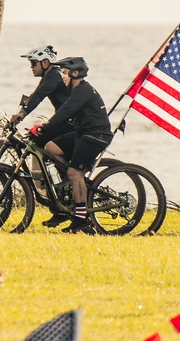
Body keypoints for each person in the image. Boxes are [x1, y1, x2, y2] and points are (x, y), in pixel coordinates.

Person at [34, 56, 112, 232]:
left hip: (96, 136)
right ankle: (76, 182)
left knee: (74, 172)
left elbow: (65, 111)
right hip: (82, 133)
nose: (62, 76)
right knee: (50, 148)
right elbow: (65, 111)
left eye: (65, 72)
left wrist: (45, 127)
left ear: (75, 73)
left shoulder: (82, 90)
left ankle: (81, 218)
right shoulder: (76, 90)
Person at [12, 45, 68, 123]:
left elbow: (39, 96)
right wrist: (21, 112)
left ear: (45, 62)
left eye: (33, 63)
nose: (31, 67)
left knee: (39, 133)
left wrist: (23, 114)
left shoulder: (54, 76)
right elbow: (35, 94)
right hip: (66, 118)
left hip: (73, 120)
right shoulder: (50, 75)